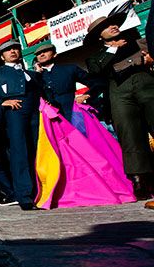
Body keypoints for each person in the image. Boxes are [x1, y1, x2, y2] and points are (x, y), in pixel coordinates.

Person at [85, 14, 154, 201]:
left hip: (146, 84)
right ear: (100, 36)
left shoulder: (136, 41)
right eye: (107, 27)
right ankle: (139, 179)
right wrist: (114, 52)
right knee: (129, 134)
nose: (114, 27)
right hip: (118, 92)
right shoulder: (96, 56)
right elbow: (96, 70)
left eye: (115, 24)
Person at [0, 39, 42, 210]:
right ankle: (25, 196)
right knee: (20, 153)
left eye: (15, 49)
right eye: (8, 50)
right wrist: (0, 102)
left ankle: (39, 193)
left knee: (35, 150)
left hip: (34, 113)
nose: (13, 51)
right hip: (14, 114)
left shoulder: (30, 74)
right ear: (2, 56)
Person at [33, 43, 93, 124]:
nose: (42, 54)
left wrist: (87, 95)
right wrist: (37, 74)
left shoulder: (69, 68)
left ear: (55, 54)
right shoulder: (34, 76)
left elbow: (95, 82)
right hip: (49, 119)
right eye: (38, 54)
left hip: (72, 114)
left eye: (46, 51)